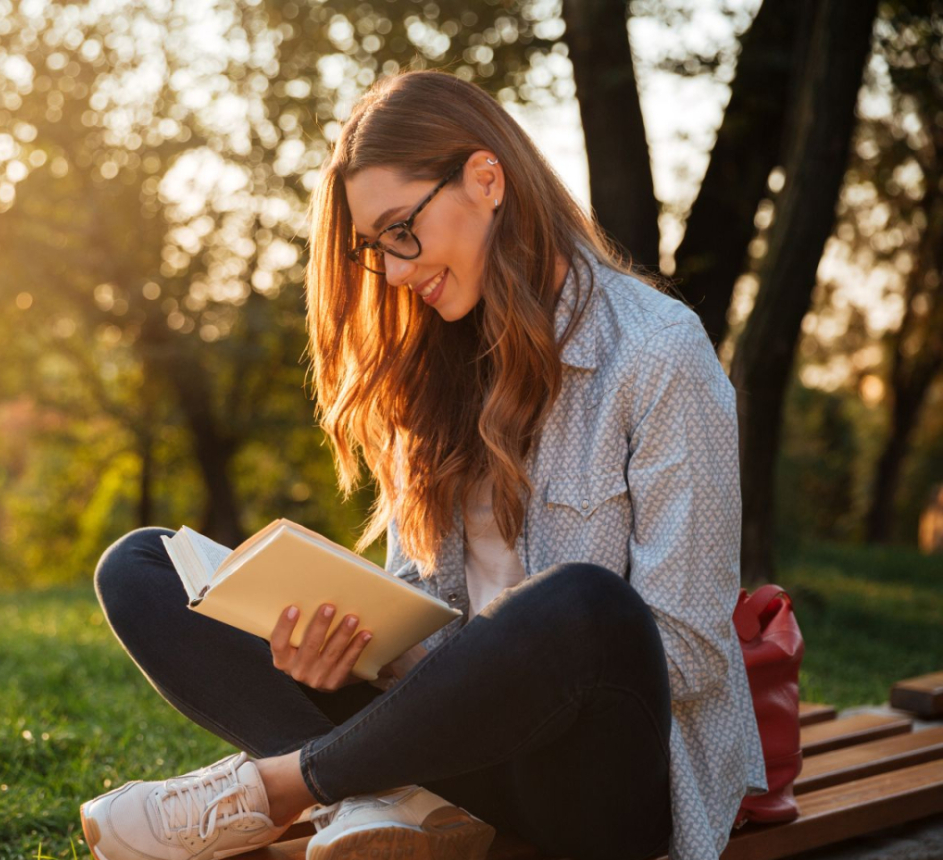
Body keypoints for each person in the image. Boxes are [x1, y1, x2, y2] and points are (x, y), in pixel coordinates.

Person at [79, 69, 766, 860]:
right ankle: (379, 798)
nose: (397, 271)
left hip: (594, 782)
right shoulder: (431, 362)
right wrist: (360, 647)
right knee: (141, 568)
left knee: (584, 605)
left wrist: (482, 672)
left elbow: (690, 654)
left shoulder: (658, 354)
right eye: (377, 249)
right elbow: (418, 605)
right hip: (444, 755)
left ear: (486, 179)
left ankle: (279, 789)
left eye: (402, 229)